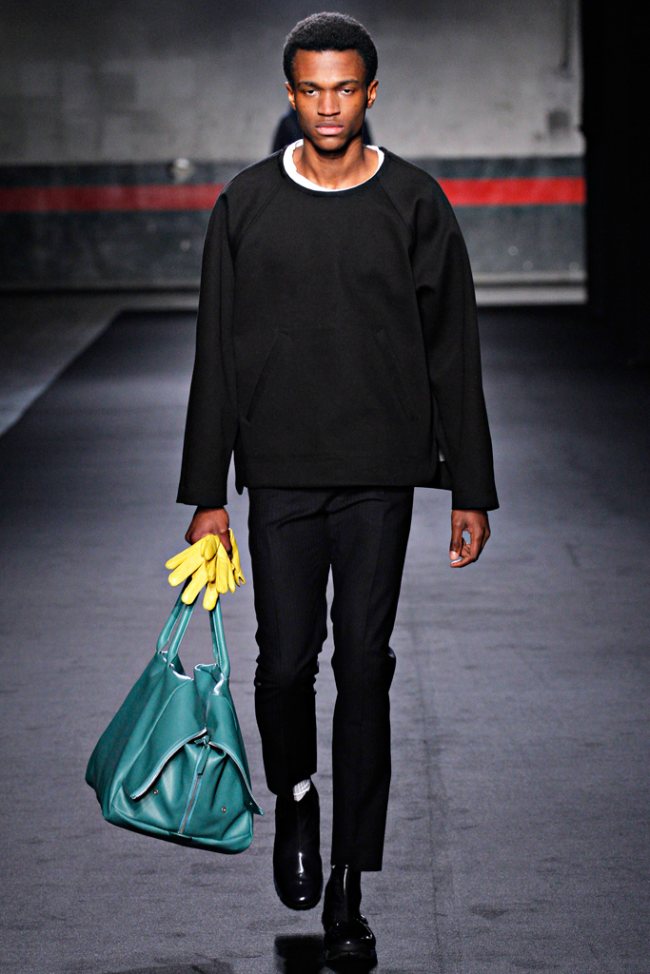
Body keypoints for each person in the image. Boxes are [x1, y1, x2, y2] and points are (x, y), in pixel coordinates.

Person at [177, 11, 498, 966]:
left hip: (377, 474)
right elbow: (215, 353)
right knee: (284, 666)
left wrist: (470, 487)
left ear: (370, 93)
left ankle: (351, 877)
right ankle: (296, 796)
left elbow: (454, 350)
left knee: (364, 666)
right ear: (290, 95)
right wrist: (207, 495)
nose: (328, 105)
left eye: (345, 88)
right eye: (312, 89)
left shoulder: (414, 201)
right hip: (278, 472)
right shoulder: (245, 204)